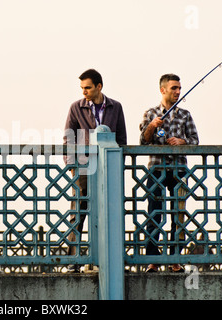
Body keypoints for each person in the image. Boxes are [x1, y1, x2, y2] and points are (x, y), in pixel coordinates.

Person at [63, 69, 127, 272]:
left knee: (109, 212)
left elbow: (122, 140)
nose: (84, 92)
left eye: (88, 88)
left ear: (99, 86)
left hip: (108, 168)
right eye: (82, 88)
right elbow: (68, 139)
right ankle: (73, 261)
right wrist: (72, 166)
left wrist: (118, 165)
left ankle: (107, 262)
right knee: (78, 212)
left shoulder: (115, 107)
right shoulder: (76, 108)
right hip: (83, 168)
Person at [139, 74, 199, 272]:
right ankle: (153, 260)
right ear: (162, 90)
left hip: (179, 170)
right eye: (174, 88)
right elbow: (143, 141)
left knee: (178, 214)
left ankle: (175, 258)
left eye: (179, 88)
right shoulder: (151, 113)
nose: (178, 92)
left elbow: (195, 140)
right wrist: (152, 126)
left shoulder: (185, 114)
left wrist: (183, 142)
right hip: (156, 169)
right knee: (154, 214)